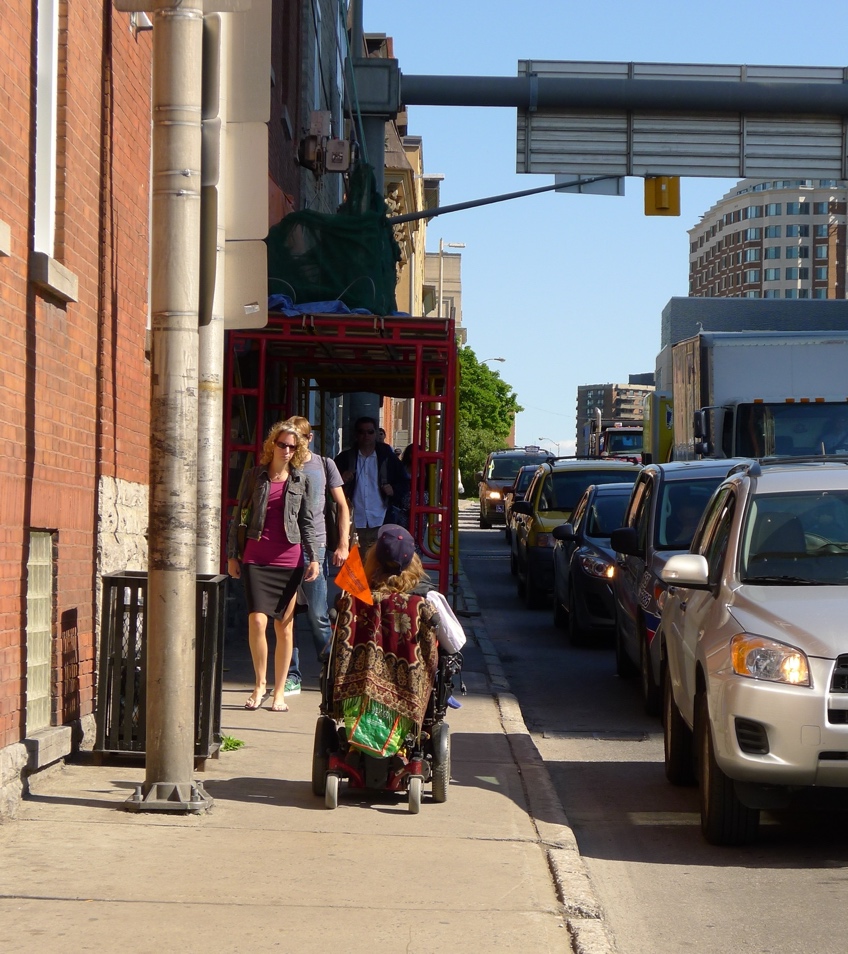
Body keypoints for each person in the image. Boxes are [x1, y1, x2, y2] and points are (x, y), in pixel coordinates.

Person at [227, 422, 321, 712]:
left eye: (293, 446)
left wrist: (314, 556)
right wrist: (233, 554)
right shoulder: (255, 476)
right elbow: (239, 513)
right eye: (282, 444)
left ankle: (279, 691)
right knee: (257, 620)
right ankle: (259, 685)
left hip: (288, 559)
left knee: (285, 627)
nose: (287, 450)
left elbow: (306, 521)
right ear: (272, 445)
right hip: (256, 557)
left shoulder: (301, 481)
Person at [331, 524, 439, 755]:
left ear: (373, 558)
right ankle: (400, 743)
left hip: (358, 696)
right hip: (407, 695)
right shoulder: (424, 600)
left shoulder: (352, 600)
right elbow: (453, 641)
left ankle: (357, 741)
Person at [282, 415, 351, 696]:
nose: (292, 445)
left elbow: (342, 506)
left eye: (297, 439)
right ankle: (291, 675)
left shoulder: (325, 465)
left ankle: (333, 671)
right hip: (285, 546)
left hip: (316, 547)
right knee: (286, 616)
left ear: (308, 439)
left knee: (317, 614)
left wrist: (344, 544)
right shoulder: (284, 463)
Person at [334, 416, 406, 552]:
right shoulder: (345, 458)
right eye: (362, 432)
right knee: (355, 568)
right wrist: (341, 479)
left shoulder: (387, 458)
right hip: (353, 522)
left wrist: (393, 490)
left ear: (376, 433)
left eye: (370, 432)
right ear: (356, 435)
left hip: (382, 519)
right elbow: (329, 486)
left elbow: (404, 482)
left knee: (379, 567)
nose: (366, 436)